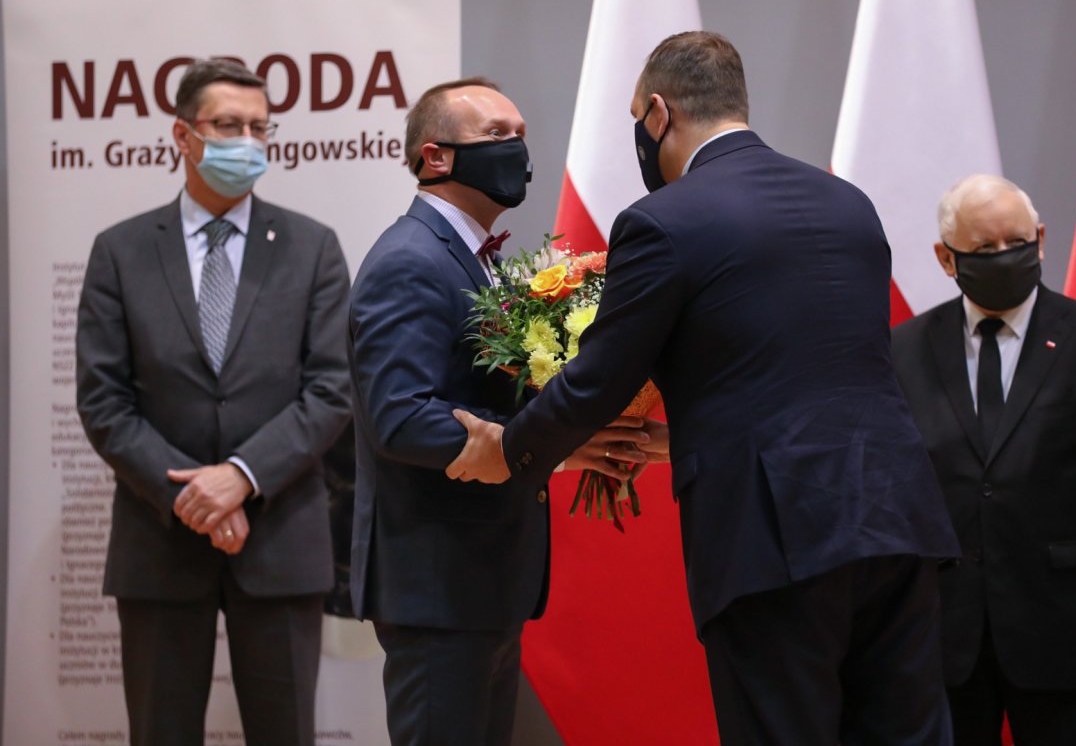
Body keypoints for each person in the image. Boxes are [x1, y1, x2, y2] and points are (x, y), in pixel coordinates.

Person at [446, 33, 960, 745]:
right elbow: (812, 374)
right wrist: (683, 436)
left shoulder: (663, 221)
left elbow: (596, 382)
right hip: (899, 516)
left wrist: (509, 452)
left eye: (637, 119)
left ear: (659, 113)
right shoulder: (848, 203)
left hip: (776, 537)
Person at [347, 77, 649, 746]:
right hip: (438, 581)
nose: (516, 147)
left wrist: (572, 434)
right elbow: (401, 417)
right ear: (435, 157)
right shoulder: (410, 260)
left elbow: (487, 400)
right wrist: (540, 446)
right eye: (495, 135)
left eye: (520, 135)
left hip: (481, 578)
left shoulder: (476, 259)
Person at [75, 59, 351, 746]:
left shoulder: (313, 247)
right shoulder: (120, 251)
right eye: (229, 125)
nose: (247, 142)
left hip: (280, 537)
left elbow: (331, 388)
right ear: (183, 135)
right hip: (160, 541)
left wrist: (242, 477)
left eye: (260, 127)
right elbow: (104, 400)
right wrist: (191, 496)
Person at [890, 174, 1076, 746]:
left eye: (1015, 242)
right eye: (983, 248)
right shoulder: (903, 350)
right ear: (946, 257)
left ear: (1040, 239)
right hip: (942, 634)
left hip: (1065, 629)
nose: (1003, 256)